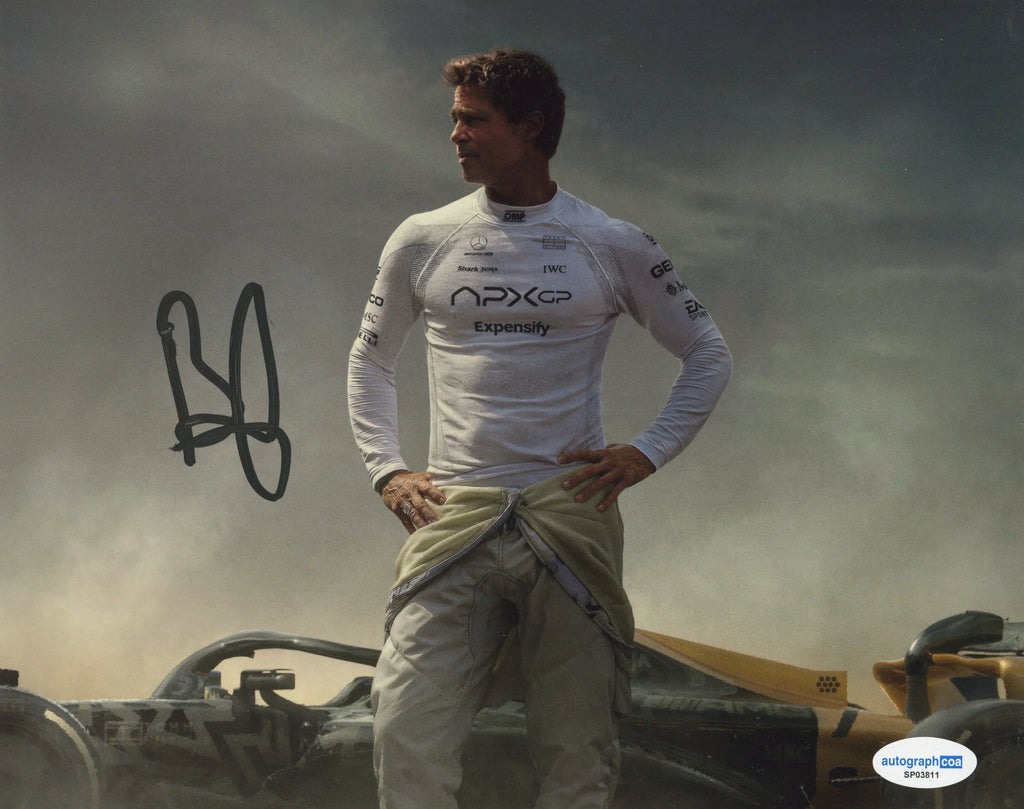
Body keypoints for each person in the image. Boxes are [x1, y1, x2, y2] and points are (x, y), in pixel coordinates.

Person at [347, 49, 731, 809]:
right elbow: (369, 360)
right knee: (403, 732)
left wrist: (646, 452)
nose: (456, 135)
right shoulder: (424, 236)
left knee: (576, 754)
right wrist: (387, 469)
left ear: (529, 127)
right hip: (452, 516)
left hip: (568, 516)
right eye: (455, 119)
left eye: (473, 120)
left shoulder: (612, 241)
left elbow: (707, 353)